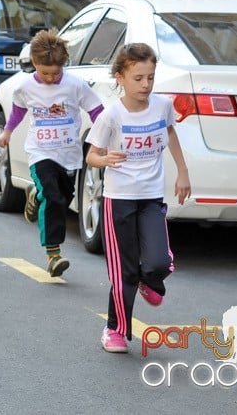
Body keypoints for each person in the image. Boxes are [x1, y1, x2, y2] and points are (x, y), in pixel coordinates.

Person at [85, 43, 190, 354]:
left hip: (150, 196)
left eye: (151, 78)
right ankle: (115, 330)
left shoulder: (161, 107)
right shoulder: (111, 116)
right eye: (138, 78)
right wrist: (105, 160)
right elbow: (91, 155)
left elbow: (170, 133)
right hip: (119, 199)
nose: (145, 85)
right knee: (124, 270)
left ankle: (151, 280)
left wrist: (182, 172)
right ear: (121, 77)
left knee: (159, 260)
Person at [0, 29, 104, 277]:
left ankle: (35, 195)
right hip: (40, 152)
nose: (50, 78)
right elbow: (19, 110)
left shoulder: (74, 85)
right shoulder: (25, 86)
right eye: (44, 73)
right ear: (34, 63)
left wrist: (104, 136)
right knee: (53, 198)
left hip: (69, 154)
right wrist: (8, 132)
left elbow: (97, 109)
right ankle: (53, 254)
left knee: (64, 199)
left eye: (55, 73)